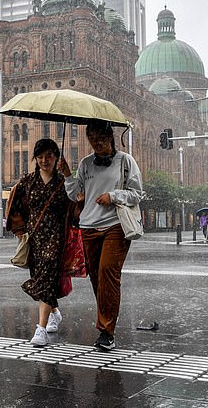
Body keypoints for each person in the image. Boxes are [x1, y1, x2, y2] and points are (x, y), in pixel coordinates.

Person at [59, 123, 143, 351]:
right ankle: (107, 318)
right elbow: (76, 193)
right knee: (96, 278)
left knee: (108, 273)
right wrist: (67, 173)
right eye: (92, 137)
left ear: (110, 137)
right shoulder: (86, 163)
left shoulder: (126, 161)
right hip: (88, 227)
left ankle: (107, 331)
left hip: (115, 226)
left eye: (101, 136)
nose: (96, 141)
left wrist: (113, 196)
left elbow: (137, 194)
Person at [6, 139, 71, 347]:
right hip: (34, 237)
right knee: (42, 277)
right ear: (35, 158)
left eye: (49, 156)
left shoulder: (62, 182)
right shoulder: (27, 182)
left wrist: (69, 175)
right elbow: (14, 206)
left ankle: (40, 329)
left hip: (56, 236)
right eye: (41, 156)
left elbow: (78, 200)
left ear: (56, 158)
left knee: (46, 274)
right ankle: (54, 312)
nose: (45, 160)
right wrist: (19, 231)